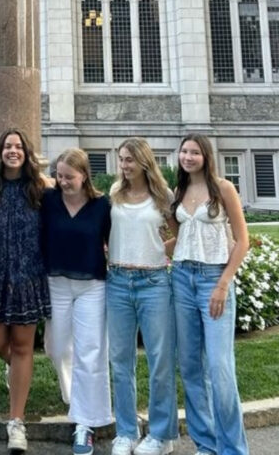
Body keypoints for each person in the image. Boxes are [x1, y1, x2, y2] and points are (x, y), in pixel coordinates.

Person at [0, 128, 52, 454]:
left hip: (28, 275)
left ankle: (16, 421)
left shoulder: (40, 187)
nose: (13, 151)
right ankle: (17, 369)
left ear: (26, 152)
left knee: (22, 346)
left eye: (18, 146)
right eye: (7, 146)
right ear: (0, 151)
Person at [171, 134, 250, 455]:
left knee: (219, 368)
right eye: (184, 152)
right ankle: (206, 444)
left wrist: (222, 284)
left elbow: (242, 241)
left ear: (206, 156)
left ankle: (233, 449)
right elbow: (178, 241)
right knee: (190, 367)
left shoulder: (223, 189)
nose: (188, 157)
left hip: (213, 279)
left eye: (194, 152)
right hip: (181, 279)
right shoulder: (179, 191)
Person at [106, 137, 178, 455]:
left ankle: (162, 434)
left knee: (159, 359)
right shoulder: (114, 194)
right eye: (121, 159)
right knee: (121, 361)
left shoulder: (163, 196)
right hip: (118, 281)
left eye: (129, 160)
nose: (124, 165)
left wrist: (157, 251)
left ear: (144, 162)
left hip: (153, 283)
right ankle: (126, 431)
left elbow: (180, 232)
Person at [41, 148, 112, 455]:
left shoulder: (101, 206)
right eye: (59, 176)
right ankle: (75, 394)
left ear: (84, 175)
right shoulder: (48, 201)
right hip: (55, 282)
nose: (64, 181)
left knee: (90, 350)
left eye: (69, 176)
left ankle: (85, 423)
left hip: (91, 285)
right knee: (56, 348)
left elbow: (113, 241)